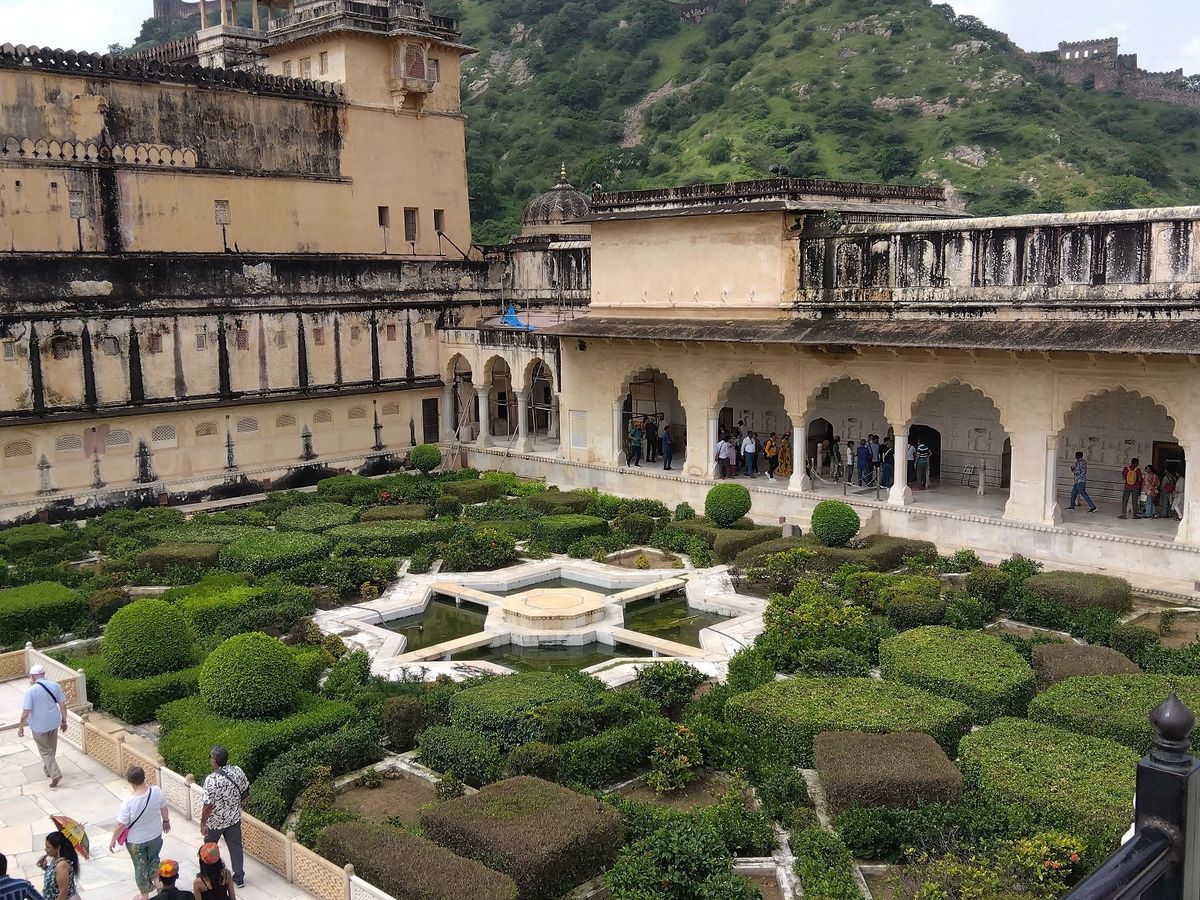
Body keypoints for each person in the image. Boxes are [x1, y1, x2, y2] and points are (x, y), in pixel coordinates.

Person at [110, 765, 170, 900]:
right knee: (154, 860)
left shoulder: (128, 801)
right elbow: (164, 808)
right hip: (155, 835)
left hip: (136, 841)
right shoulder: (156, 791)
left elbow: (121, 824)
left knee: (140, 866)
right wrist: (166, 821)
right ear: (144, 777)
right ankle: (160, 887)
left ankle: (144, 895)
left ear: (130, 781)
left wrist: (113, 840)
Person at [200, 747, 249, 889]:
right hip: (233, 819)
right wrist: (237, 805)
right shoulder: (237, 771)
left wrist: (203, 823)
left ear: (214, 761)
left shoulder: (211, 780)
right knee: (236, 847)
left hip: (215, 822)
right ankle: (239, 878)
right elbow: (246, 792)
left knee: (209, 849)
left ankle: (209, 875)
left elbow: (208, 806)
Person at [17, 664, 68, 788]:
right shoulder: (55, 685)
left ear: (33, 676)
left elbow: (26, 712)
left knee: (45, 751)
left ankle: (55, 774)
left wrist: (21, 727)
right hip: (53, 723)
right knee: (51, 748)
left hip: (39, 726)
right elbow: (63, 705)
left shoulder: (31, 691)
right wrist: (64, 721)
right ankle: (48, 770)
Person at [37, 833, 78, 900]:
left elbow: (63, 892)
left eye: (48, 847)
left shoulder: (61, 865)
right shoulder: (56, 859)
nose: (45, 849)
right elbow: (56, 877)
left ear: (58, 848)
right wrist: (46, 868)